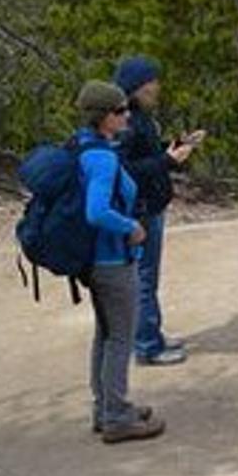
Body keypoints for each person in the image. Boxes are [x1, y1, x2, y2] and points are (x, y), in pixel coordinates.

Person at [73, 79, 164, 443]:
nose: (127, 115)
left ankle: (107, 405)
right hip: (111, 260)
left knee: (107, 334)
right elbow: (96, 212)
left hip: (96, 260)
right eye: (120, 111)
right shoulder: (103, 159)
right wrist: (130, 228)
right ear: (104, 116)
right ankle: (117, 415)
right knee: (120, 338)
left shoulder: (84, 147)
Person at [113, 54, 205, 365]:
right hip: (141, 208)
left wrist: (177, 143)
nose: (157, 86)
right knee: (144, 278)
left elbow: (146, 152)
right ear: (137, 86)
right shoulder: (126, 121)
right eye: (152, 81)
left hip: (150, 204)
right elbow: (124, 168)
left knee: (146, 276)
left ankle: (151, 335)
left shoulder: (138, 117)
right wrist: (167, 161)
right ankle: (147, 346)